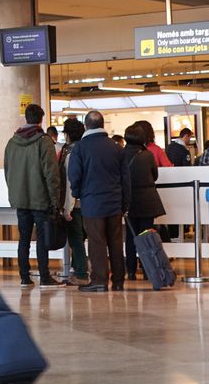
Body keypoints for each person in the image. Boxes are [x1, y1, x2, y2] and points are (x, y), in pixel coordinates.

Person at [67, 110, 129, 292]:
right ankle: (118, 281)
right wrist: (125, 203)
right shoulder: (116, 147)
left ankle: (100, 281)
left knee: (97, 242)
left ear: (86, 126)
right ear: (103, 125)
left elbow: (74, 175)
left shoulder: (80, 148)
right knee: (116, 242)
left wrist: (78, 193)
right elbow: (126, 179)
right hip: (115, 202)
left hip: (92, 202)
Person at [4, 103, 61, 288]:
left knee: (24, 238)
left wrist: (15, 192)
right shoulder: (44, 141)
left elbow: (8, 172)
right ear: (41, 119)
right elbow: (51, 173)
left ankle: (24, 277)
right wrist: (55, 200)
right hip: (40, 199)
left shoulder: (12, 142)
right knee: (42, 239)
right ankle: (44, 277)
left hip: (20, 200)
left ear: (26, 118)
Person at [123, 123, 164, 282]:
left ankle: (131, 271)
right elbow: (155, 175)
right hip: (147, 200)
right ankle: (148, 270)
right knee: (147, 236)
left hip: (129, 201)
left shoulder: (120, 154)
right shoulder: (147, 155)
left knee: (131, 237)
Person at [58, 117, 89, 286]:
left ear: (68, 134)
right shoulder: (86, 149)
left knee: (76, 239)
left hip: (75, 203)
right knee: (81, 238)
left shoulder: (70, 153)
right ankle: (78, 270)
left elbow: (70, 182)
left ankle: (81, 274)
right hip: (89, 202)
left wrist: (67, 208)